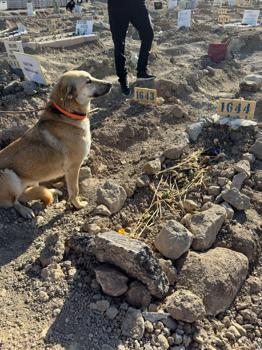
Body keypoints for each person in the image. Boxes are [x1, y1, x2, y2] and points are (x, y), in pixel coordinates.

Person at [108, 0, 155, 96]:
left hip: (136, 3)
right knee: (119, 42)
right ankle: (122, 79)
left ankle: (142, 71)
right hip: (117, 5)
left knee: (148, 34)